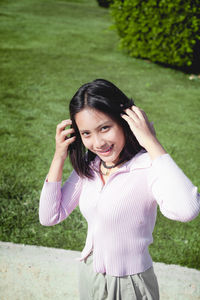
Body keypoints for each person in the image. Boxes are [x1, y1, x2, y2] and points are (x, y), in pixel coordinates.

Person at [39, 79, 200, 300]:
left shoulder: (147, 166)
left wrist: (151, 142)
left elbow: (187, 210)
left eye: (105, 128)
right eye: (86, 133)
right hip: (90, 276)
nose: (98, 143)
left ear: (125, 121)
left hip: (131, 285)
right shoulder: (90, 167)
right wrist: (59, 155)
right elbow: (49, 216)